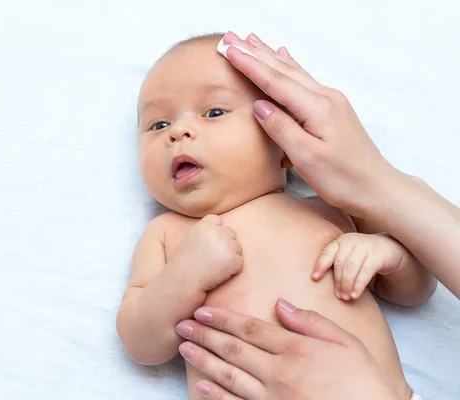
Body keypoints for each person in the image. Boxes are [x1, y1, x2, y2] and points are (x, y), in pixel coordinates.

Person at [115, 31, 436, 400]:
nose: (178, 132)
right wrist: (185, 276)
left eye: (214, 112)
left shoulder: (329, 207)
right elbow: (140, 344)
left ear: (284, 142)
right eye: (158, 125)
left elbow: (417, 291)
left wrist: (388, 256)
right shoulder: (168, 234)